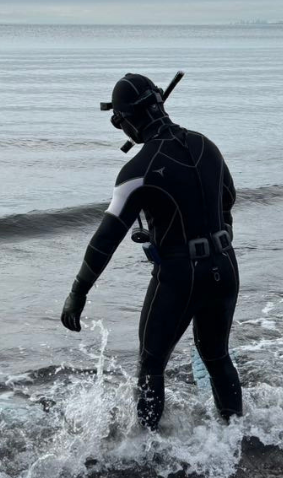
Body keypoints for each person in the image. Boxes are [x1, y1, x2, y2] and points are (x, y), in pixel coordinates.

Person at [60, 73, 243, 432]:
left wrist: (77, 292)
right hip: (225, 265)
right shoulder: (207, 146)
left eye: (119, 123)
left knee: (151, 364)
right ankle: (236, 437)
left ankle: (146, 450)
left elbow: (105, 239)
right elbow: (228, 199)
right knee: (217, 356)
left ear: (125, 119)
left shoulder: (137, 170)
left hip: (178, 275)